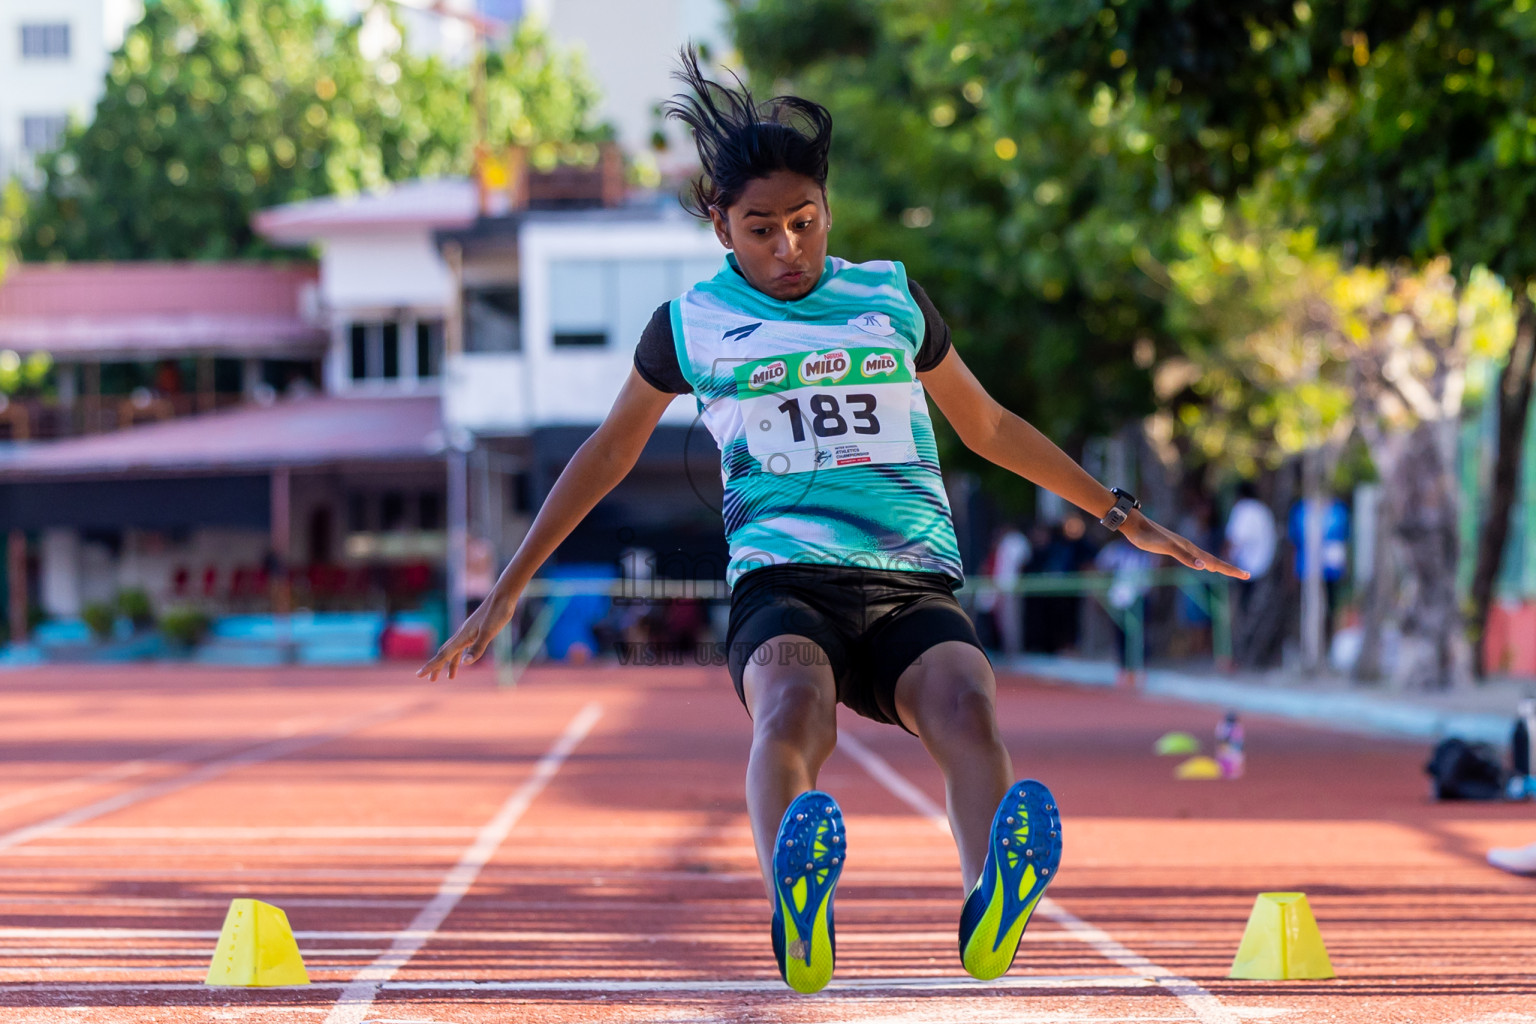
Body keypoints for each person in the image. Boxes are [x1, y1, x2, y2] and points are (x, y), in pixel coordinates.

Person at [418, 51, 1247, 994]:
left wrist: (1119, 512)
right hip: (785, 579)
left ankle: (990, 901)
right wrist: (507, 589)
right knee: (790, 709)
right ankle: (795, 900)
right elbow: (604, 456)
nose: (787, 248)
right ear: (720, 225)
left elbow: (988, 425)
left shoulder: (889, 297)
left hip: (910, 581)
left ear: (827, 210)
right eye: (760, 228)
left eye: (804, 222)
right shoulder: (689, 324)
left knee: (966, 706)